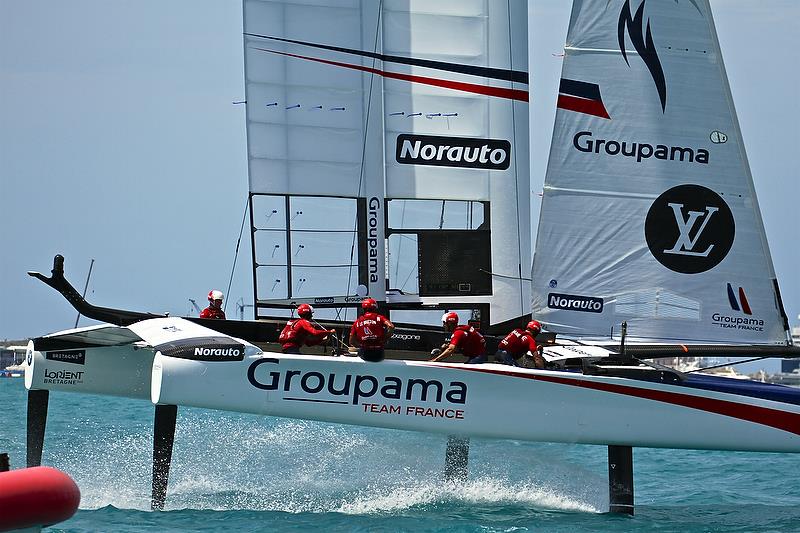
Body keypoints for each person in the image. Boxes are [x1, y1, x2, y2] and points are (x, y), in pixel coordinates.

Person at [349, 298, 395, 362]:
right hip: (379, 355)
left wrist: (361, 345)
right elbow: (391, 326)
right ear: (375, 308)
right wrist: (385, 339)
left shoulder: (357, 322)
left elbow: (351, 342)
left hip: (365, 355)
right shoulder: (379, 318)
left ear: (363, 309)